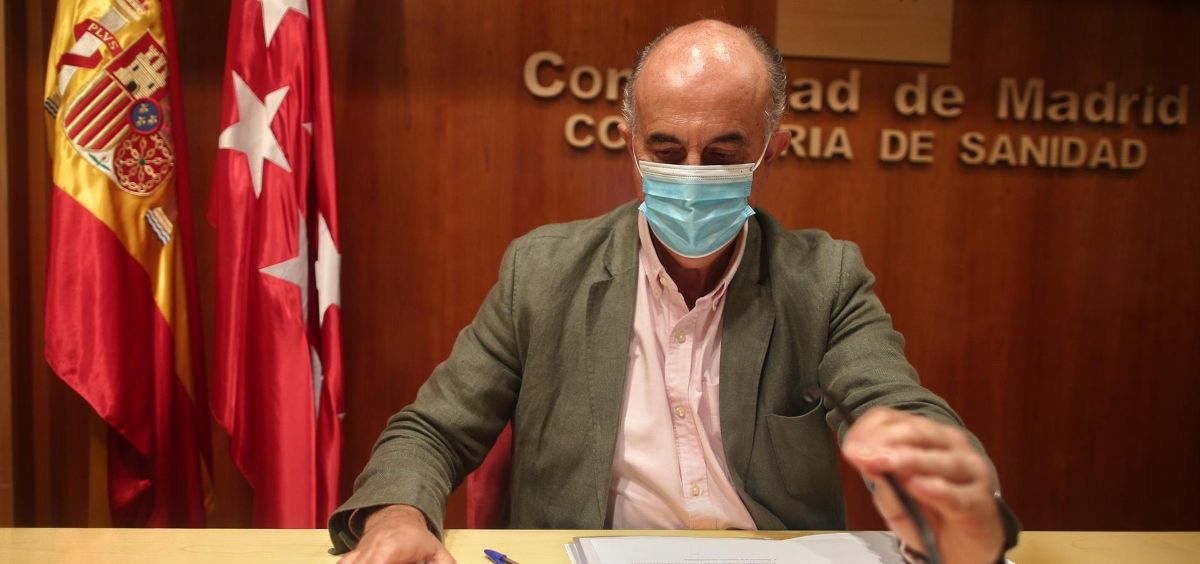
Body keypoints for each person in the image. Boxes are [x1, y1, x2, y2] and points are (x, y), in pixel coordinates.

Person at [331, 20, 1017, 564]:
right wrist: (397, 518)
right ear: (629, 144)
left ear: (772, 152)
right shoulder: (542, 271)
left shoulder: (823, 280)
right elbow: (433, 430)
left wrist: (947, 486)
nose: (691, 176)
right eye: (665, 150)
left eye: (722, 154)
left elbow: (895, 405)